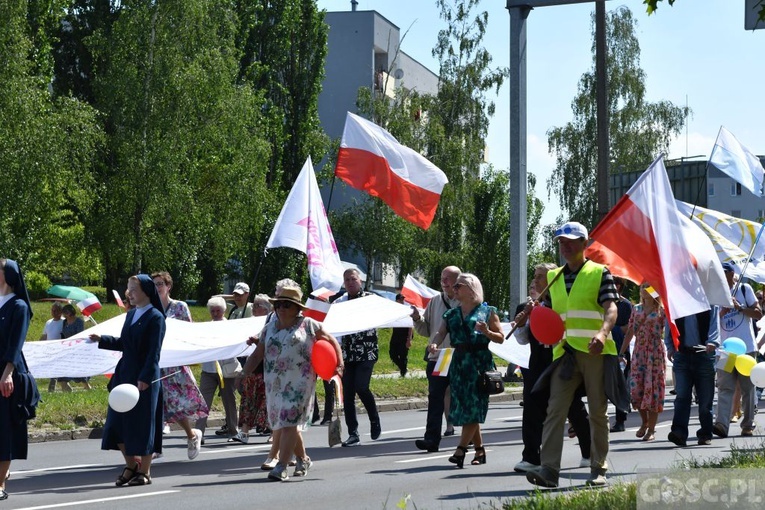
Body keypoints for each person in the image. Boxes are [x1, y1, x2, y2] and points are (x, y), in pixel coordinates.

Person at [526, 221, 619, 488]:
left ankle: (598, 468)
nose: (564, 246)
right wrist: (533, 313)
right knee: (555, 409)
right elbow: (551, 317)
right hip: (565, 354)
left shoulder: (599, 272)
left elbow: (611, 308)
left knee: (598, 412)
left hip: (594, 350)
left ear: (584, 244)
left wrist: (602, 334)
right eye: (560, 242)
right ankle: (549, 470)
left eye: (569, 241)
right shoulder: (553, 278)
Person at [243, 285, 343, 481]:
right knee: (284, 422)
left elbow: (332, 341)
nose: (281, 308)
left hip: (299, 384)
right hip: (274, 384)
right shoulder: (270, 327)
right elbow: (258, 354)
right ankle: (303, 459)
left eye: (287, 305)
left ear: (297, 308)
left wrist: (339, 364)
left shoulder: (309, 325)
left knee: (288, 422)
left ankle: (281, 467)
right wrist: (244, 372)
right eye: (279, 304)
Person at [513, 263, 592, 473]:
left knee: (574, 408)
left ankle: (589, 452)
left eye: (542, 277)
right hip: (537, 364)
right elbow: (521, 340)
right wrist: (523, 321)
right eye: (536, 276)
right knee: (531, 409)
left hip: (561, 362)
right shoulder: (527, 307)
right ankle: (531, 456)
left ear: (553, 280)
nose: (537, 281)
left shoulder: (563, 304)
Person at [90, 275, 165, 487]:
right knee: (116, 424)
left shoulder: (155, 317)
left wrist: (145, 377)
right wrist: (102, 339)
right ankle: (131, 465)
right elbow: (126, 344)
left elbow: (153, 352)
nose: (129, 293)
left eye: (133, 289)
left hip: (143, 378)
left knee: (142, 424)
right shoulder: (131, 315)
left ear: (146, 292)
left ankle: (145, 470)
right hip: (124, 375)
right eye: (128, 289)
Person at [429, 273, 504, 468]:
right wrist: (434, 344)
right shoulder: (451, 314)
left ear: (471, 289)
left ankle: (460, 450)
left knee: (473, 407)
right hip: (459, 364)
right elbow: (440, 332)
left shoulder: (487, 311)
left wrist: (487, 332)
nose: (454, 289)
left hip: (479, 364)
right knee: (466, 408)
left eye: (458, 286)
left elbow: (500, 337)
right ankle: (480, 450)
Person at [151, 271, 207, 459]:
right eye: (154, 284)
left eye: (160, 284)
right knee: (155, 403)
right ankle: (155, 446)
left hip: (175, 364)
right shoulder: (150, 308)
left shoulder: (179, 307)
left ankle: (192, 435)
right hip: (156, 362)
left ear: (168, 286)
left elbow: (188, 332)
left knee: (177, 403)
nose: (157, 287)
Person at [413, 266, 461, 453]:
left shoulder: (465, 301)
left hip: (460, 357)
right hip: (440, 357)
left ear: (458, 280)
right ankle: (431, 439)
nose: (444, 281)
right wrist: (417, 319)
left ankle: (471, 436)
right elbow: (427, 330)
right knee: (435, 398)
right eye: (442, 277)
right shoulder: (435, 301)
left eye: (448, 278)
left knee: (463, 397)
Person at [713, 262, 763, 438]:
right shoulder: (714, 294)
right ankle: (721, 424)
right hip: (726, 351)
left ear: (731, 274)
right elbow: (712, 324)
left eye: (724, 272)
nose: (721, 276)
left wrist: (739, 308)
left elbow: (758, 314)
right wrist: (722, 312)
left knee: (748, 388)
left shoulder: (744, 289)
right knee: (725, 387)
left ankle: (747, 424)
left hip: (747, 349)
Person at [0, 259, 35, 501]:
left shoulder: (19, 306)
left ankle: (0, 483)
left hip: (6, 374)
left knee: (4, 431)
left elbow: (16, 342)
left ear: (8, 275)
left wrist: (7, 372)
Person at [336, 268, 382, 447]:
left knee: (361, 387)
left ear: (360, 281)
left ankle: (374, 419)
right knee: (347, 394)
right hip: (348, 353)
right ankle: (353, 432)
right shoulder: (340, 302)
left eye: (353, 279)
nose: (349, 282)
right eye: (346, 280)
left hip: (367, 351)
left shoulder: (370, 299)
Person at [665, 308, 719, 447]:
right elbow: (669, 322)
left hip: (704, 355)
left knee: (705, 398)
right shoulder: (677, 300)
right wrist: (670, 346)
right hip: (682, 354)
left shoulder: (708, 301)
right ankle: (679, 432)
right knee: (682, 396)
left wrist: (713, 342)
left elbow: (714, 323)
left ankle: (705, 433)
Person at [618, 284, 665, 442]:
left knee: (653, 392)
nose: (644, 289)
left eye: (648, 287)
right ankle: (644, 421)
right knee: (636, 390)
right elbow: (630, 331)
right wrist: (621, 352)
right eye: (642, 287)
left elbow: (672, 330)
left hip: (655, 353)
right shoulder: (636, 309)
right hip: (639, 352)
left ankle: (651, 429)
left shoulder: (661, 310)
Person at [194, 298, 240, 445]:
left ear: (224, 310)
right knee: (203, 403)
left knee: (229, 401)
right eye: (212, 311)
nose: (215, 313)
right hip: (208, 370)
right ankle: (198, 434)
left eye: (218, 310)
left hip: (226, 370)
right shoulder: (206, 327)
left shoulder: (231, 326)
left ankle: (234, 431)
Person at [234, 294, 271, 444]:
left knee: (267, 403)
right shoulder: (249, 321)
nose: (254, 308)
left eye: (258, 306)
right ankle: (244, 432)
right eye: (254, 305)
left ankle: (273, 434)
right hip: (253, 368)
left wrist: (257, 341)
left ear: (266, 309)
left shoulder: (272, 321)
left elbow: (269, 343)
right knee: (248, 400)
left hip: (267, 369)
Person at [609, 278, 633, 432]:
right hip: (603, 348)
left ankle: (620, 419)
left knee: (619, 385)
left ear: (617, 286)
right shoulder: (600, 302)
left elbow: (627, 329)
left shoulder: (625, 305)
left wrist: (611, 328)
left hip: (620, 351)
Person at [57, 304, 91, 391]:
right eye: (64, 313)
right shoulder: (64, 322)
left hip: (77, 349)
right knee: (63, 374)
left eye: (67, 312)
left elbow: (80, 334)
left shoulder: (78, 321)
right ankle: (67, 390)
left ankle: (88, 388)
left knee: (80, 374)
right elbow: (63, 334)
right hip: (66, 349)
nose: (65, 314)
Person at [40, 302, 64, 392]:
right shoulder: (48, 323)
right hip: (50, 351)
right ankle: (66, 388)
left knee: (56, 371)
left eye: (56, 310)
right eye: (52, 310)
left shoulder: (64, 322)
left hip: (60, 351)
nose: (53, 312)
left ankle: (51, 390)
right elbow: (44, 336)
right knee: (54, 370)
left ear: (61, 311)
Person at [389, 294, 413, 377]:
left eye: (403, 299)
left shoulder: (406, 310)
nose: (402, 300)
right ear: (397, 300)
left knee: (403, 355)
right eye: (401, 299)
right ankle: (403, 368)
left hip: (405, 335)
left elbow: (410, 325)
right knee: (392, 354)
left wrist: (409, 339)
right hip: (396, 334)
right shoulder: (394, 310)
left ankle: (403, 373)